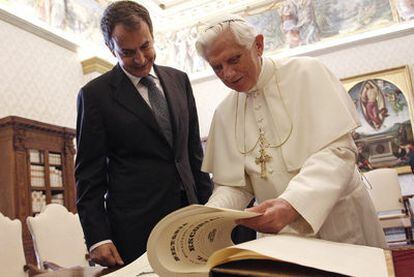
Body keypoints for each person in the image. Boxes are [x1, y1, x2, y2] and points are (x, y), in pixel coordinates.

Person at [195, 14, 387, 248]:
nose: (228, 74)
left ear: (258, 45)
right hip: (281, 236)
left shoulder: (307, 73)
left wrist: (292, 203)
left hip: (339, 222)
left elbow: (338, 152)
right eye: (217, 67)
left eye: (234, 59)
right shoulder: (225, 113)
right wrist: (209, 217)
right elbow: (235, 185)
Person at [75, 1, 212, 267]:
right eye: (127, 52)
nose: (140, 59)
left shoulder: (179, 80)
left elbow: (194, 155)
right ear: (110, 48)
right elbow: (88, 175)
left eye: (145, 46)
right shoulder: (95, 95)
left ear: (152, 35)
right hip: (136, 228)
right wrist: (98, 237)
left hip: (190, 217)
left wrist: (209, 210)